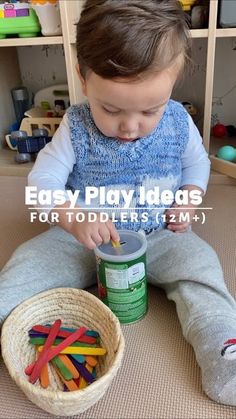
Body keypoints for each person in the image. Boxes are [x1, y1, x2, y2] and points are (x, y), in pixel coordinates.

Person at [1, 0, 236, 407]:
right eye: (110, 108)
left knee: (201, 269)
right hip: (86, 240)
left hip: (161, 232)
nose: (130, 126)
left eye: (150, 110)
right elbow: (42, 182)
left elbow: (197, 166)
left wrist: (189, 198)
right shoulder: (75, 126)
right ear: (83, 77)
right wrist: (73, 217)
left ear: (173, 83)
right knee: (26, 261)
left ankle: (224, 351)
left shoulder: (179, 120)